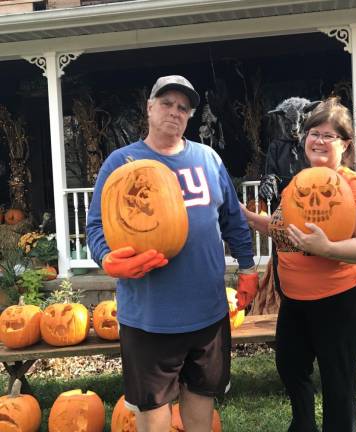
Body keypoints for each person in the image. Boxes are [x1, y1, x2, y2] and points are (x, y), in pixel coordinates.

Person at [86, 75, 259, 432]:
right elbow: (96, 228)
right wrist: (106, 258)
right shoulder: (121, 164)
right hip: (149, 316)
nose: (175, 112)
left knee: (201, 404)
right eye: (166, 103)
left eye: (183, 107)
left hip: (207, 313)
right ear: (149, 108)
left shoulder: (208, 159)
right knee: (153, 413)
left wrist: (248, 268)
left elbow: (233, 220)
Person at [241, 97, 356, 432]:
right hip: (296, 298)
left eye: (328, 135)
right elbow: (281, 230)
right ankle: (303, 425)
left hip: (343, 297)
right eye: (313, 132)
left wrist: (328, 248)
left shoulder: (355, 188)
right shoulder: (299, 183)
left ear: (345, 144)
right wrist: (245, 217)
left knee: (338, 380)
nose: (318, 140)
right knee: (290, 365)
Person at [258, 98, 319, 299]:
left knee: (311, 254)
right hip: (284, 209)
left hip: (312, 209)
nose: (295, 128)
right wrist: (269, 181)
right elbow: (270, 172)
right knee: (284, 254)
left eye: (299, 121)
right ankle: (285, 297)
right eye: (290, 122)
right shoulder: (276, 146)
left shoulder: (313, 144)